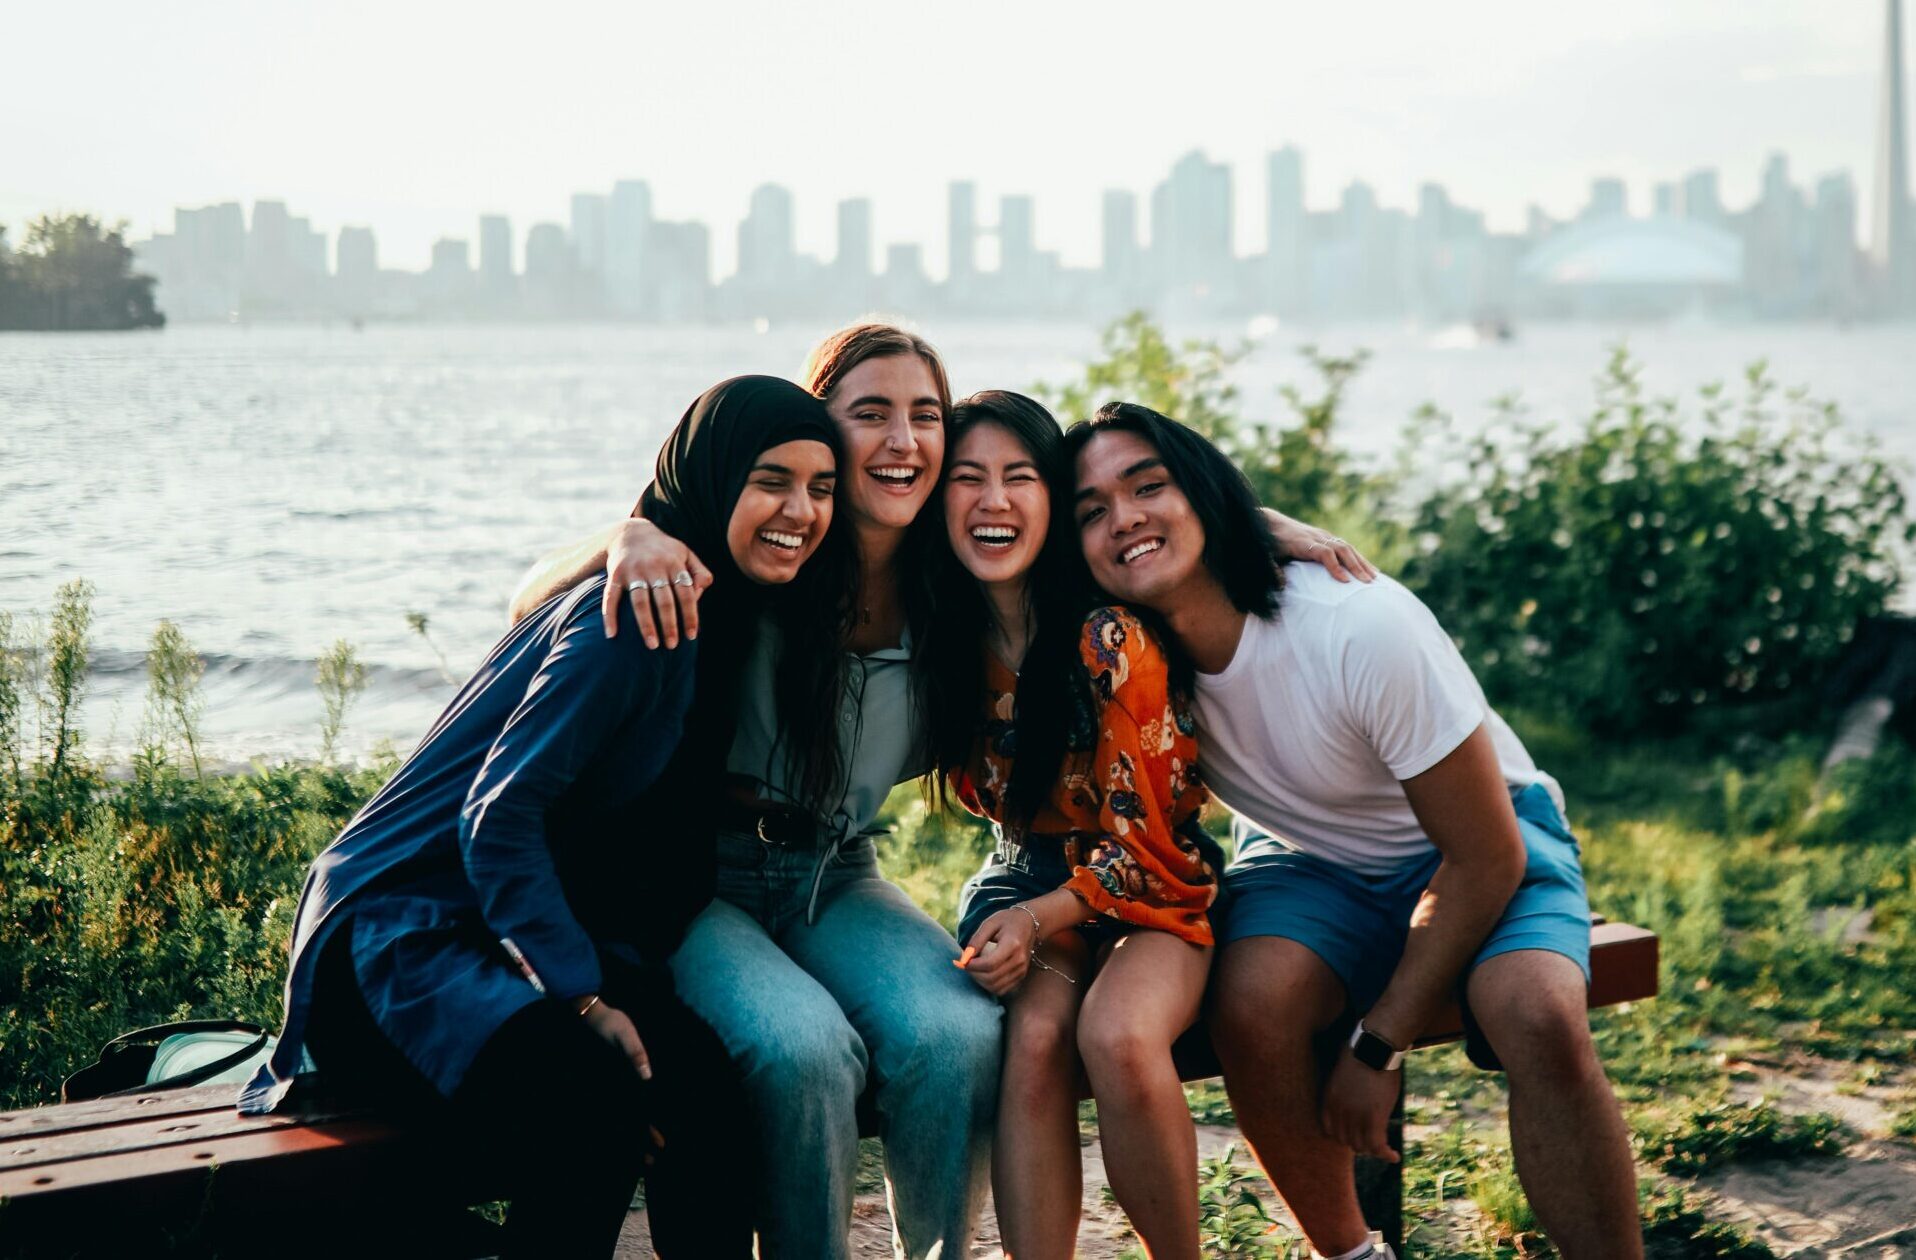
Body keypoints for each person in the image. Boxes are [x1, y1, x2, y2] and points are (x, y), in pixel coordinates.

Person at [241, 376, 844, 1259]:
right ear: (716, 477)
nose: (801, 509)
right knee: (597, 1106)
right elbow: (497, 817)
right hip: (400, 932)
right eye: (772, 481)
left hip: (496, 925)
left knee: (706, 1097)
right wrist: (585, 997)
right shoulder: (637, 617)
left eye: (822, 488)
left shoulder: (712, 600)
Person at [1063, 402, 1643, 1260]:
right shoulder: (1125, 654)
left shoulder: (1354, 626)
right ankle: (1353, 1254)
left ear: (1210, 499)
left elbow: (1486, 856)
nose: (1126, 519)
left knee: (1537, 1014)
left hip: (1481, 839)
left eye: (1150, 486)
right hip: (1313, 859)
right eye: (1094, 511)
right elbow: (990, 522)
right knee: (1252, 1003)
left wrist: (1378, 1045)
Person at [509, 324, 998, 1260]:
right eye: (871, 415)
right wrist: (626, 534)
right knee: (803, 1050)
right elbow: (531, 601)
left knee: (959, 1033)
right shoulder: (766, 539)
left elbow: (1093, 517)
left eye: (926, 416)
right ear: (817, 431)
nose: (903, 441)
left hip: (838, 873)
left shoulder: (955, 571)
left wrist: (1257, 524)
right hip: (700, 878)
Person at [924, 390, 1222, 1260]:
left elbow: (1142, 844)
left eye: (1020, 476)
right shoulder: (947, 636)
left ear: (1053, 501)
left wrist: (1034, 917)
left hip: (1153, 877)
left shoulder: (1106, 637)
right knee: (1036, 1036)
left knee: (1117, 1035)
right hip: (1028, 877)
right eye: (968, 478)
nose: (995, 500)